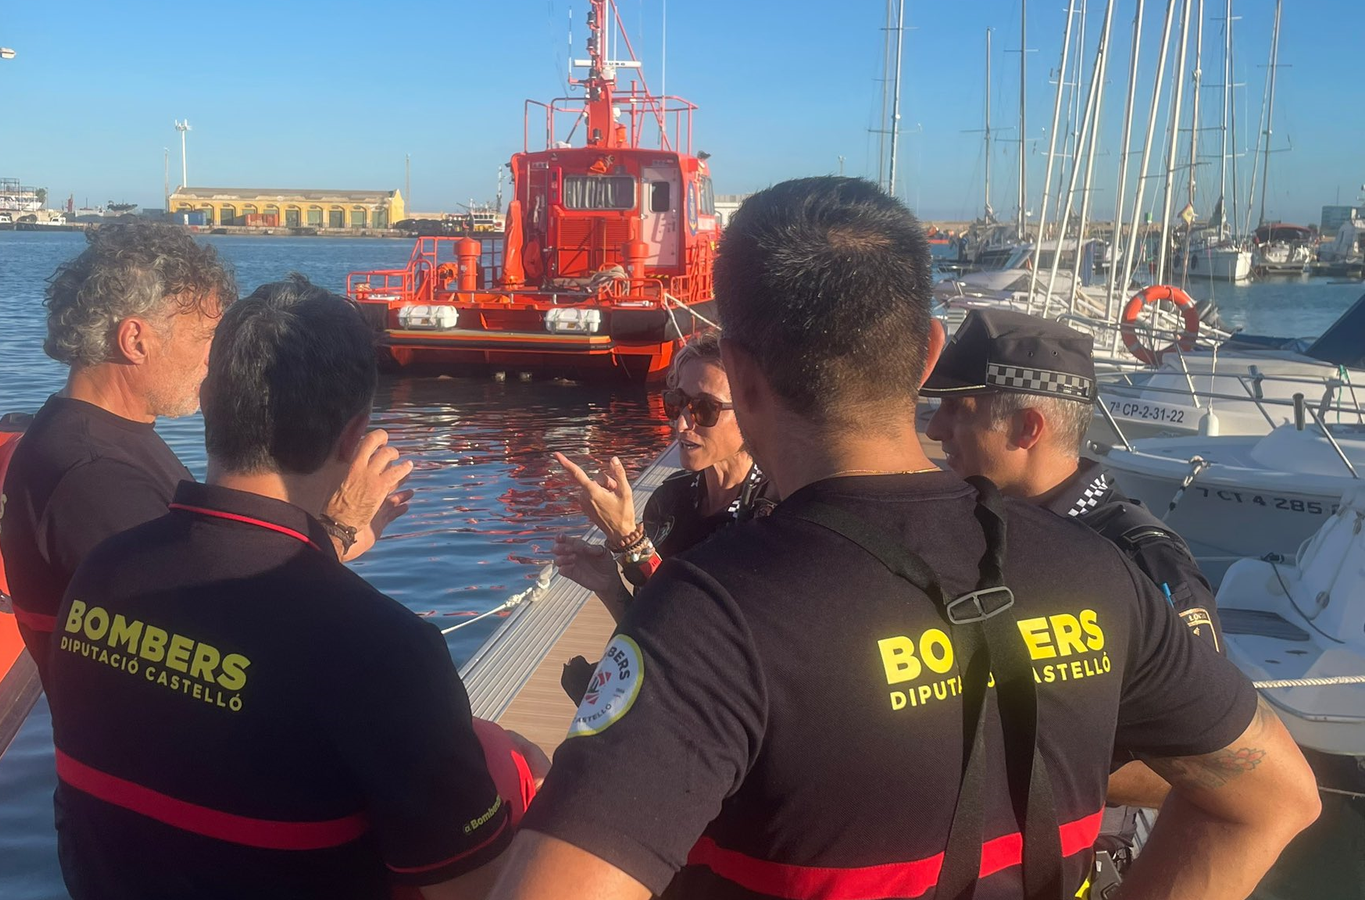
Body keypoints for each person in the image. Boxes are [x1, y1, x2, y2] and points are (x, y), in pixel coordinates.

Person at [489, 176, 1319, 900]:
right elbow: (1276, 798)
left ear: (740, 378)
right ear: (926, 354)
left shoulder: (712, 620)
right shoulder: (1095, 567)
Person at [45, 276, 539, 900]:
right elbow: (476, 889)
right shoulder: (387, 651)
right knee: (512, 765)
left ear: (209, 400)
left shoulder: (102, 573)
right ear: (352, 436)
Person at [1, 225, 408, 682]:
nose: (217, 361)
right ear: (135, 341)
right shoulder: (95, 478)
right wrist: (335, 533)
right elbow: (207, 642)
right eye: (205, 339)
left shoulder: (93, 436)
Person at [921, 308, 1226, 870]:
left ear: (1027, 428)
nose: (934, 430)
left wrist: (991, 766)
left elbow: (1208, 765)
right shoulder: (976, 531)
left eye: (954, 410)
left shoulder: (1139, 560)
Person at [552, 331, 772, 625]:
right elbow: (648, 634)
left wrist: (629, 542)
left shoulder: (772, 516)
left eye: (705, 408)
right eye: (676, 402)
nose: (681, 423)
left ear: (750, 412)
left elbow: (699, 637)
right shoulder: (669, 501)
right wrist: (609, 586)